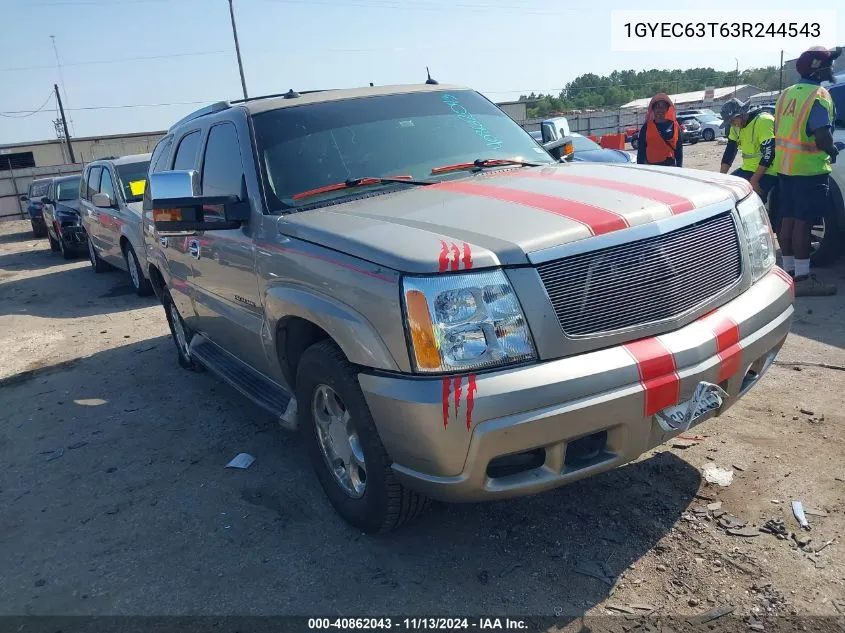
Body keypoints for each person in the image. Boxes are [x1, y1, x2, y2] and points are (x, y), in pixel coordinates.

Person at [773, 46, 841, 296]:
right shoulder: (819, 95)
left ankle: (789, 272)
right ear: (817, 68)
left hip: (786, 167)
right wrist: (833, 150)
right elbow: (822, 134)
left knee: (788, 220)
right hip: (809, 170)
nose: (831, 68)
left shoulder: (787, 94)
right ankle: (803, 278)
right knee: (803, 223)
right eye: (828, 64)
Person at [719, 98, 778, 221]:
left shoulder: (763, 121)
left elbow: (769, 153)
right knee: (727, 194)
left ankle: (763, 226)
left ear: (742, 114)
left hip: (768, 170)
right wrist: (721, 178)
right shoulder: (736, 127)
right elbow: (730, 151)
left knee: (751, 201)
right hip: (747, 169)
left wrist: (753, 181)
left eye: (732, 120)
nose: (732, 124)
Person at [636, 93, 683, 167]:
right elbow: (641, 152)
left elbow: (679, 149)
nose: (660, 110)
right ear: (653, 109)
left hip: (670, 167)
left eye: (663, 107)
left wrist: (679, 167)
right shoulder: (646, 128)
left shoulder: (674, 125)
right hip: (652, 169)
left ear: (667, 109)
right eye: (657, 107)